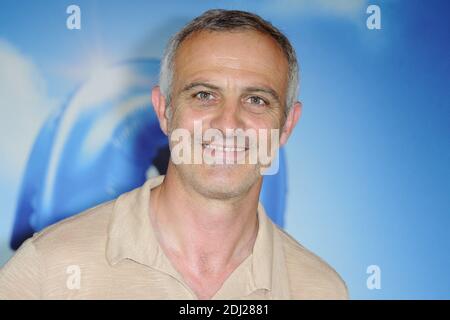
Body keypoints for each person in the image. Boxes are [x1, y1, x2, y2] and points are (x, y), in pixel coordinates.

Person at [0, 9, 348, 300]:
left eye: (256, 100)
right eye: (203, 95)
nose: (228, 124)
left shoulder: (321, 291)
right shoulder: (46, 273)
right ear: (164, 111)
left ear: (287, 125)